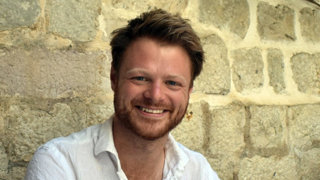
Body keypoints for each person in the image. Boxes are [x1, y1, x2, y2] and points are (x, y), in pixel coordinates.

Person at [25, 9, 220, 180]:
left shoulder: (199, 172)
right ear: (114, 79)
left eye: (172, 83)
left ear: (189, 92)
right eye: (140, 78)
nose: (155, 95)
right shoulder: (60, 163)